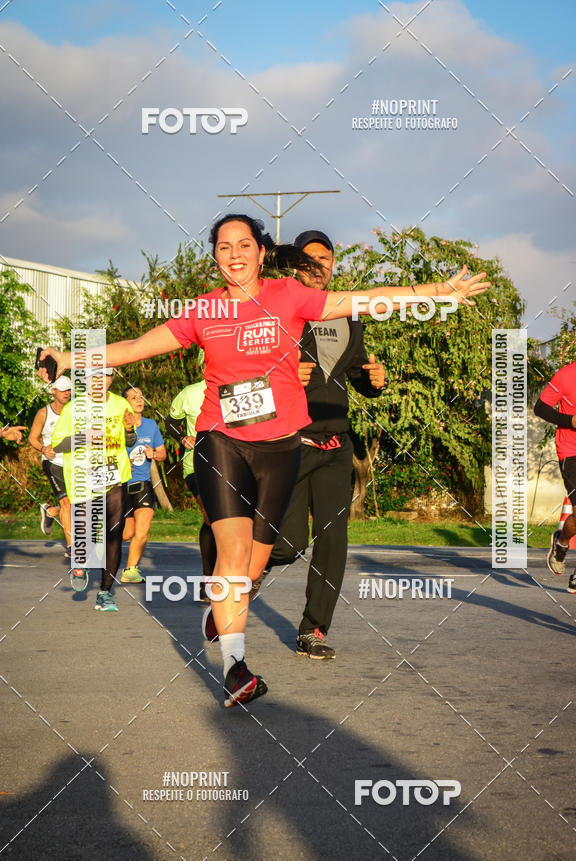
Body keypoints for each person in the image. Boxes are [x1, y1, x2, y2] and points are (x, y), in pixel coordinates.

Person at [39, 213, 488, 706]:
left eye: (244, 245)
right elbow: (138, 348)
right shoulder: (202, 310)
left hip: (281, 446)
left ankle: (221, 610)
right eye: (224, 246)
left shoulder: (287, 296)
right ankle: (235, 668)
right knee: (232, 557)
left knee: (250, 571)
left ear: (260, 251)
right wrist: (71, 359)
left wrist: (439, 291)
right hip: (221, 439)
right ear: (215, 255)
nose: (234, 254)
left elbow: (362, 300)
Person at [266, 229, 385, 660]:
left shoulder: (348, 315)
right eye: (312, 258)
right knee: (291, 541)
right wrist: (280, 375)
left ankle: (312, 630)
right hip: (291, 443)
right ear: (297, 263)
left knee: (334, 540)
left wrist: (373, 381)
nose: (320, 265)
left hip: (336, 444)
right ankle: (254, 565)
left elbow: (353, 370)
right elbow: (252, 363)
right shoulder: (281, 309)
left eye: (327, 258)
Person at [51, 368, 136, 610]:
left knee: (114, 535)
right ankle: (80, 561)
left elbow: (130, 442)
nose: (100, 380)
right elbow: (58, 445)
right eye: (94, 376)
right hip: (83, 478)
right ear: (87, 380)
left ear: (111, 379)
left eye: (105, 375)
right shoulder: (73, 408)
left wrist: (130, 430)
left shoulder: (120, 405)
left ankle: (105, 592)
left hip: (114, 477)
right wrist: (82, 437)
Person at [534, 320, 576, 594]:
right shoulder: (567, 374)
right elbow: (540, 407)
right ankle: (561, 540)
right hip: (573, 452)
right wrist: (568, 420)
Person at [165, 380, 217, 586]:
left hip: (228, 464)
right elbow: (170, 422)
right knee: (210, 515)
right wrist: (182, 437)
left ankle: (223, 572)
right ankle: (208, 577)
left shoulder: (234, 388)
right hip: (195, 464)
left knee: (223, 520)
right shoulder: (190, 392)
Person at [120, 386, 166, 583]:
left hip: (143, 484)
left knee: (143, 528)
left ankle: (130, 570)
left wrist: (153, 454)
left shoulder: (151, 425)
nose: (139, 400)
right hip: (120, 484)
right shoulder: (117, 425)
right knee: (126, 533)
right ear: (125, 402)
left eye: (141, 396)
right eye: (133, 397)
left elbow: (162, 453)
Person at [28, 375, 73, 559]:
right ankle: (72, 547)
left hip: (73, 462)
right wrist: (43, 449)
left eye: (69, 389)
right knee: (67, 503)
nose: (67, 393)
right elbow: (32, 438)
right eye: (63, 390)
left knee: (79, 504)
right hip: (53, 462)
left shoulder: (75, 410)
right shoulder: (43, 413)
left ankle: (51, 512)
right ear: (53, 391)